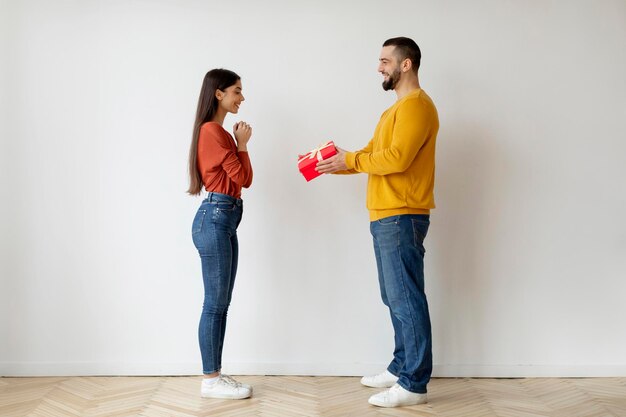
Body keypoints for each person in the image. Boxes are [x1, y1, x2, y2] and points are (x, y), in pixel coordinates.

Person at [316, 37, 439, 408]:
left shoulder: (417, 106)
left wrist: (351, 160)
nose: (379, 67)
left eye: (385, 60)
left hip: (401, 214)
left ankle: (414, 384)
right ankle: (401, 365)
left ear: (406, 64)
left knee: (405, 299)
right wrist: (338, 161)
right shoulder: (395, 111)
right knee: (394, 297)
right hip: (387, 214)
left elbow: (398, 158)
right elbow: (373, 153)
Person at [187, 68, 253, 400]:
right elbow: (242, 177)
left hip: (223, 219)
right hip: (215, 218)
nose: (241, 98)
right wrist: (242, 144)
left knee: (221, 304)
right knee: (214, 305)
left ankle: (215, 374)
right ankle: (210, 379)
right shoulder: (213, 131)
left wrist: (239, 144)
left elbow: (244, 179)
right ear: (219, 94)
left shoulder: (219, 133)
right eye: (237, 91)